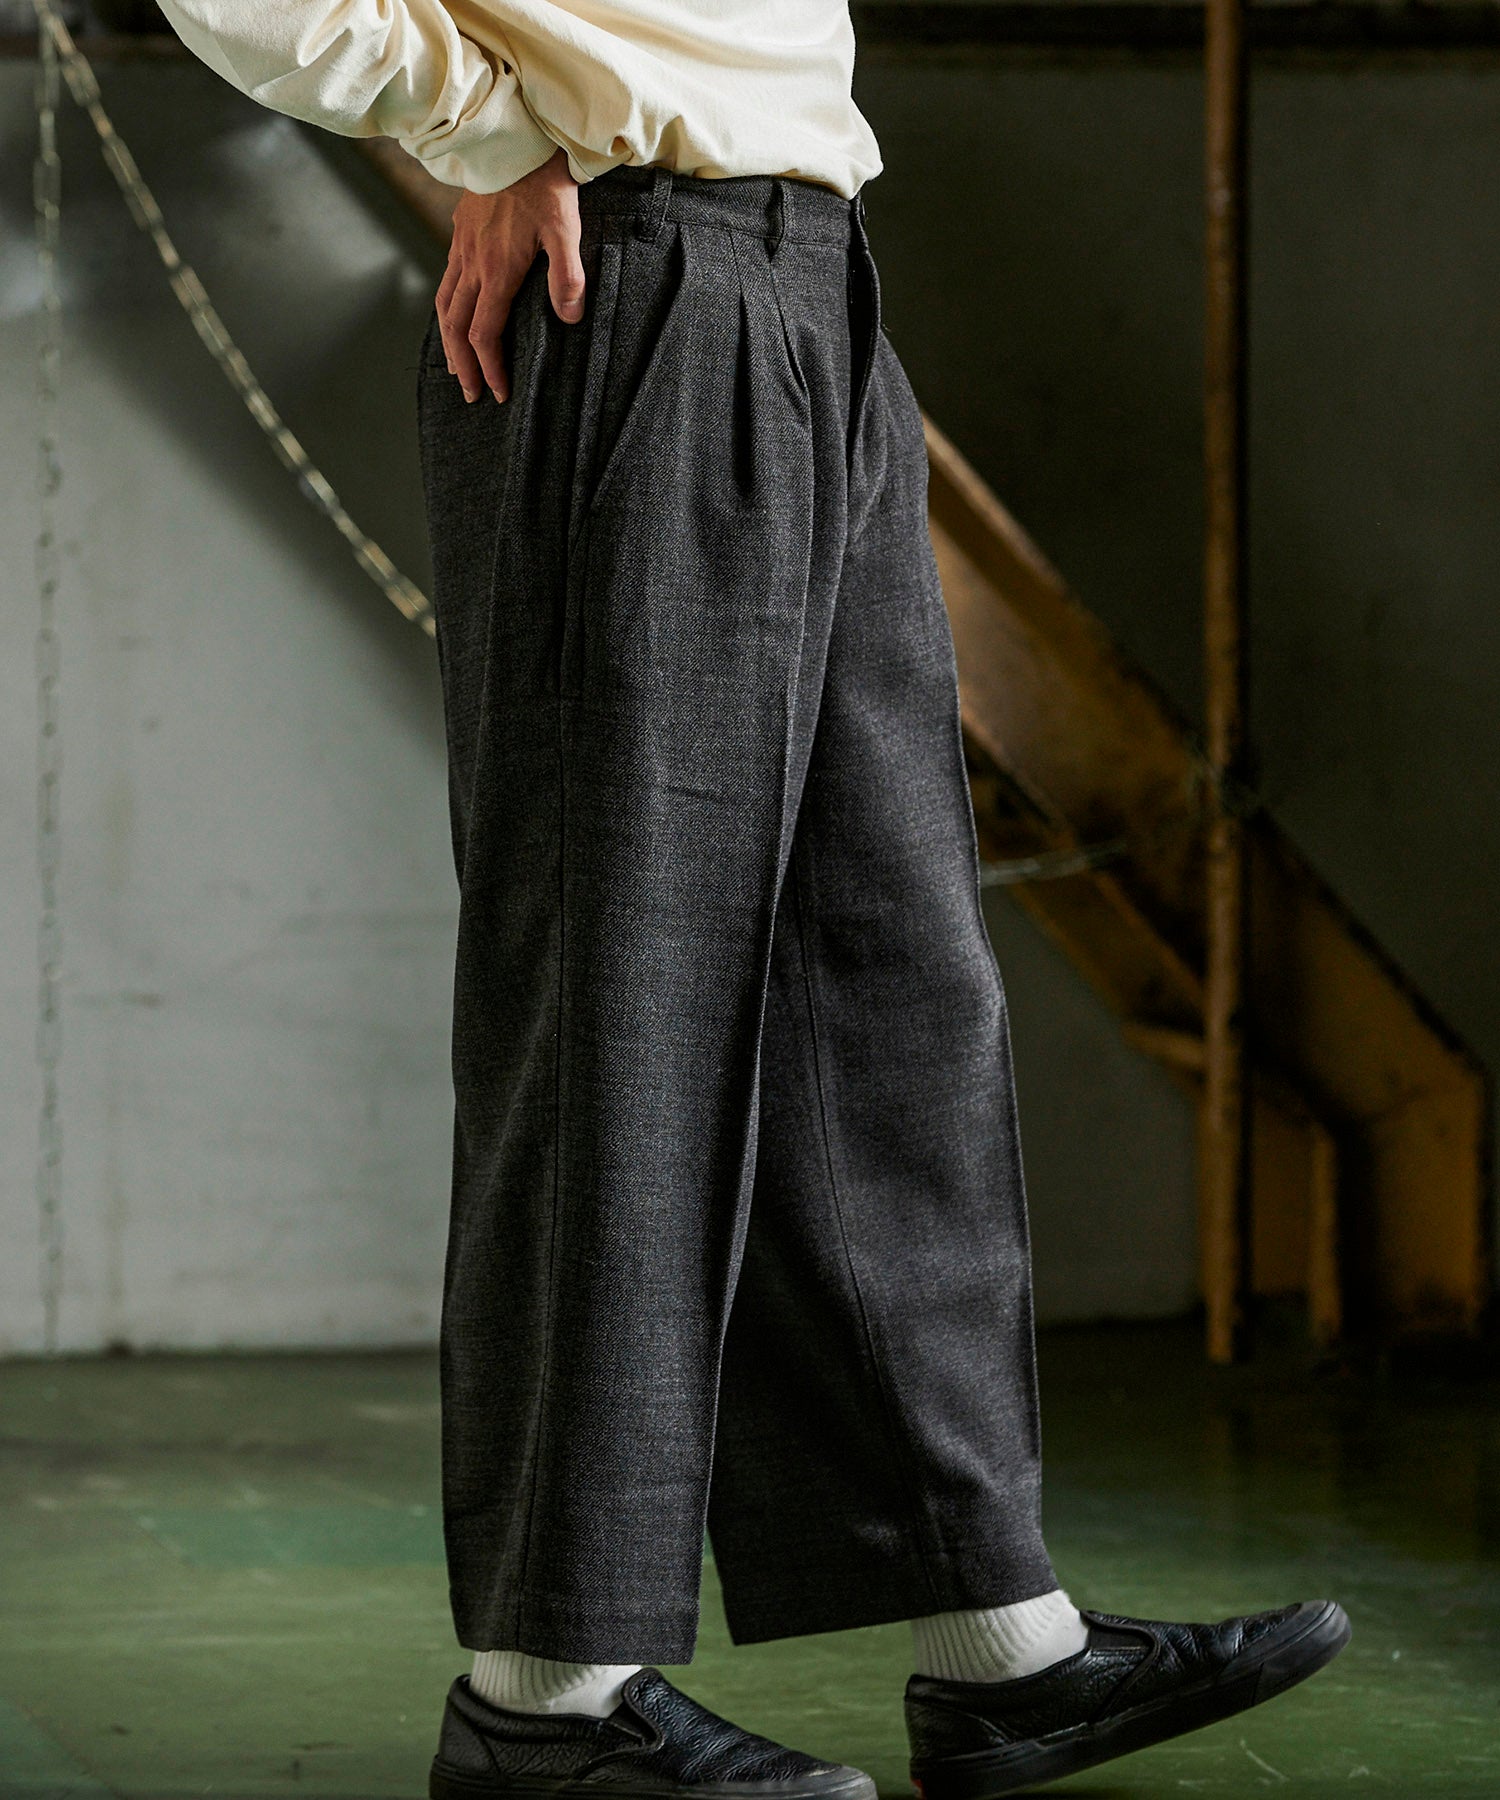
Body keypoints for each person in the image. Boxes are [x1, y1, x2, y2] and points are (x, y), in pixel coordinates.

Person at [155, 3, 1352, 1794]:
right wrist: (486, 131)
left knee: (885, 988)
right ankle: (544, 1697)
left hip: (811, 277)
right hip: (627, 275)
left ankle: (997, 1643)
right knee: (626, 1002)